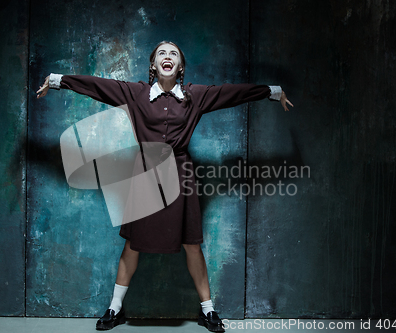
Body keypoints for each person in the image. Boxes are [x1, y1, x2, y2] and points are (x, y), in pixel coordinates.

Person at [37, 41, 293, 332]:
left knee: (191, 244)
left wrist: (272, 92)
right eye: (161, 53)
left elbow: (232, 93)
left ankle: (208, 311)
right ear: (153, 65)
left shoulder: (195, 96)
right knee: (132, 244)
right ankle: (114, 308)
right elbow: (98, 86)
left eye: (173, 54)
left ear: (180, 66)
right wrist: (59, 81)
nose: (167, 57)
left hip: (181, 176)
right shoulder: (135, 93)